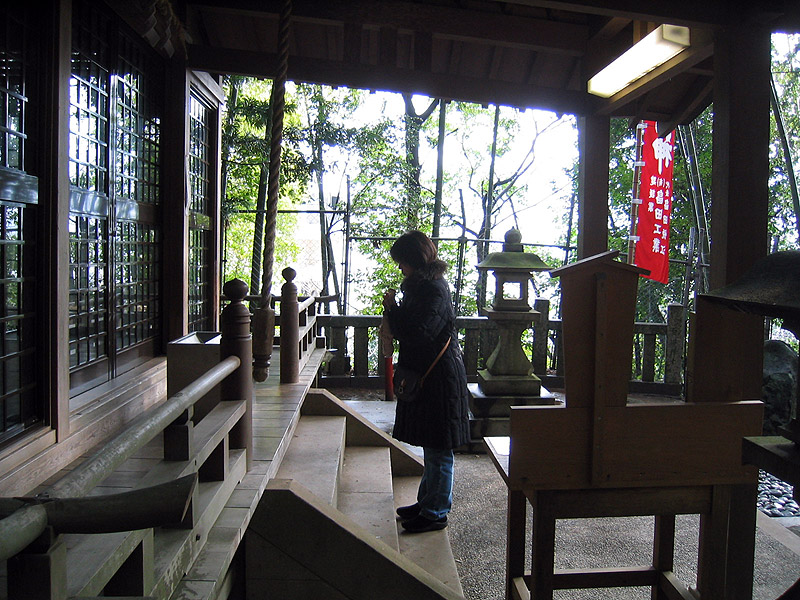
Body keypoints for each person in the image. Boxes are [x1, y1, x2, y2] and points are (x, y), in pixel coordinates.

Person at [382, 230, 470, 533]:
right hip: (431, 376)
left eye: (402, 262)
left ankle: (435, 512)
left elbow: (419, 333)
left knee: (439, 449)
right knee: (432, 447)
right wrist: (396, 309)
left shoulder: (433, 289)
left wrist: (394, 311)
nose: (400, 267)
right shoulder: (423, 287)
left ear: (414, 260)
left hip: (440, 379)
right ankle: (426, 502)